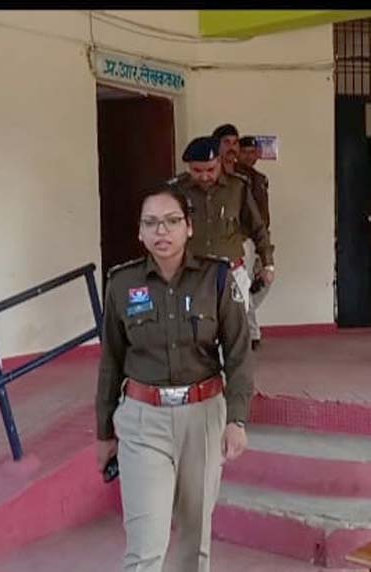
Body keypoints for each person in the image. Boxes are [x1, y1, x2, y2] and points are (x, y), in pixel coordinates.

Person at [96, 186, 253, 572]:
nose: (161, 231)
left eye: (171, 221)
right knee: (146, 545)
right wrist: (104, 432)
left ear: (189, 227)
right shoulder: (121, 283)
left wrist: (237, 419)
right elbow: (111, 361)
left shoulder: (216, 279)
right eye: (151, 223)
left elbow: (238, 355)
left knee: (193, 543)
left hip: (203, 417)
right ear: (140, 232)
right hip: (142, 420)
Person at [169, 133, 274, 315]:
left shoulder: (238, 187)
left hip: (231, 272)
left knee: (236, 325)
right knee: (193, 325)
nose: (204, 177)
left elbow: (258, 227)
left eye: (210, 170)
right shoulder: (177, 190)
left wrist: (267, 264)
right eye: (197, 171)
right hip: (192, 274)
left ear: (219, 162)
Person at [235, 135, 272, 350]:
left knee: (262, 282)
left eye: (252, 152)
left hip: (258, 238)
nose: (249, 157)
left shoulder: (259, 178)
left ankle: (244, 321)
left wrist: (265, 244)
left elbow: (263, 216)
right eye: (245, 152)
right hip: (242, 238)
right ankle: (251, 332)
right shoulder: (236, 179)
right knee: (244, 284)